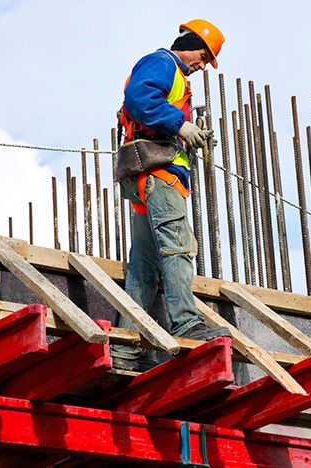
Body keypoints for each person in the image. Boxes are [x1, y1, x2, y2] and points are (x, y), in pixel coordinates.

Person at [111, 19, 231, 372]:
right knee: (179, 247)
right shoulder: (164, 63)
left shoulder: (175, 76)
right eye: (204, 56)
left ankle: (126, 347)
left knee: (144, 268)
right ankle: (187, 322)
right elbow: (139, 98)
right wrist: (180, 125)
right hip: (158, 174)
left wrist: (184, 130)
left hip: (147, 175)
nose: (203, 65)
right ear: (190, 43)